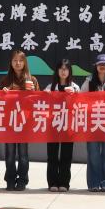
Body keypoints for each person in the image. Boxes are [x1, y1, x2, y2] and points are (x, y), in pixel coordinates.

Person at [81, 54, 105, 192]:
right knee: (93, 154)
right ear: (96, 66)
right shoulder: (89, 81)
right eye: (100, 64)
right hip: (93, 123)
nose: (102, 66)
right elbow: (81, 98)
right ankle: (94, 182)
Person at [0, 48, 35, 191]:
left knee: (23, 154)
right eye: (15, 60)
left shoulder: (32, 80)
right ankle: (10, 179)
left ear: (25, 63)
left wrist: (32, 92)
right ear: (11, 62)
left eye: (21, 60)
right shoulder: (6, 80)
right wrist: (2, 93)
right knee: (9, 154)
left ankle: (22, 180)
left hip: (24, 123)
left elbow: (39, 101)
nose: (18, 63)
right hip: (9, 122)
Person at [46, 58, 80, 191]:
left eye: (66, 69)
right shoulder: (50, 87)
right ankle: (52, 183)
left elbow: (81, 104)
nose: (63, 71)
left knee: (66, 155)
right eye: (61, 69)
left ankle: (64, 183)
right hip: (53, 125)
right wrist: (46, 95)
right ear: (57, 71)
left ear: (69, 71)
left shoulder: (75, 87)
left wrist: (75, 95)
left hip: (68, 125)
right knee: (52, 155)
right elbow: (42, 103)